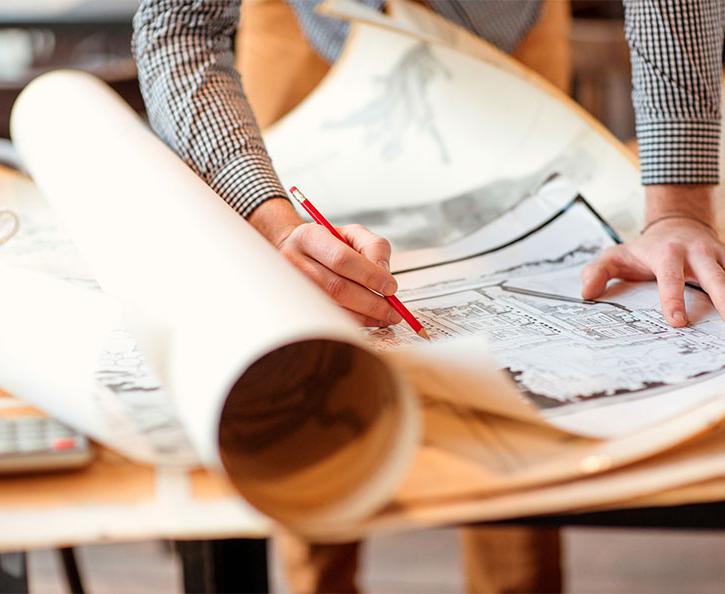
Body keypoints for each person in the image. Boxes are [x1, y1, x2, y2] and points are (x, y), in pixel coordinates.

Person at [133, 1, 723, 591]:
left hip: (505, 27)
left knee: (523, 448)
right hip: (307, 22)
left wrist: (679, 208)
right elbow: (176, 26)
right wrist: (273, 225)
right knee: (310, 378)